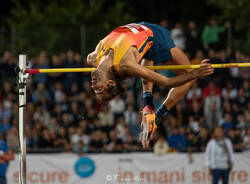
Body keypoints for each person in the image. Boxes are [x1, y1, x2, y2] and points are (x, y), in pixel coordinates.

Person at [87, 22, 214, 148]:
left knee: (145, 55)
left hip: (142, 29)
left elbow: (93, 59)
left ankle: (148, 107)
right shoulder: (126, 64)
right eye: (99, 89)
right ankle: (158, 116)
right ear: (110, 82)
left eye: (96, 90)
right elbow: (166, 82)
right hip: (156, 36)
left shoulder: (93, 58)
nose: (93, 87)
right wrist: (196, 73)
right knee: (190, 76)